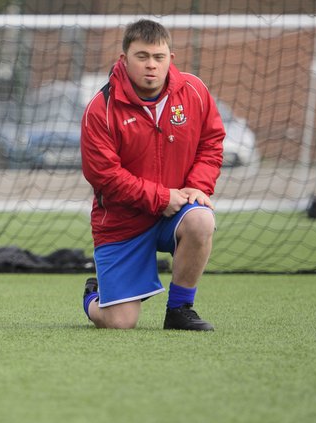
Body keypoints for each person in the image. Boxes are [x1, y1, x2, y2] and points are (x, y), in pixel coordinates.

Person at [79, 19, 225, 331]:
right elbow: (104, 176)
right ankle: (94, 295)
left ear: (170, 59)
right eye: (142, 56)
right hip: (123, 222)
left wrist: (198, 187)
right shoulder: (100, 108)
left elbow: (211, 142)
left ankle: (180, 310)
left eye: (158, 58)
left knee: (201, 219)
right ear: (124, 60)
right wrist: (161, 198)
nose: (151, 66)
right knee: (119, 323)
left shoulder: (195, 91)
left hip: (175, 212)